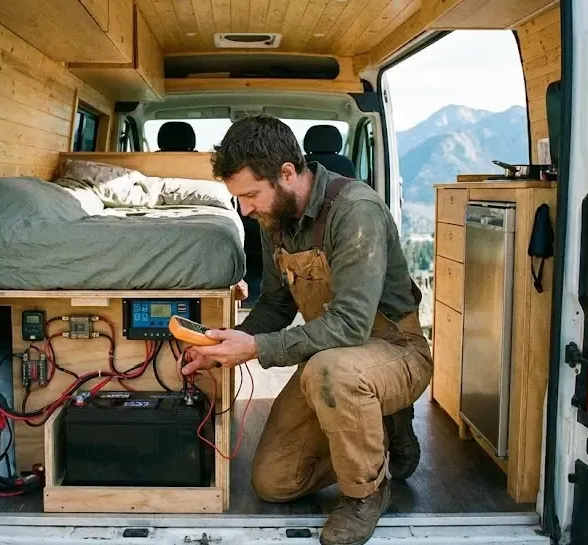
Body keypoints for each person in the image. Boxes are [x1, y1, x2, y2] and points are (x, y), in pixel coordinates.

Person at [181, 114, 433, 545]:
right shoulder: (273, 219)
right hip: (334, 356)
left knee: (330, 373)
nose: (245, 209)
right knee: (274, 481)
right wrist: (223, 341)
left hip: (395, 349)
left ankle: (367, 492)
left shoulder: (356, 210)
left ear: (287, 173)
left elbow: (352, 324)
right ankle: (380, 430)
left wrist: (257, 347)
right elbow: (277, 305)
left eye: (250, 195)